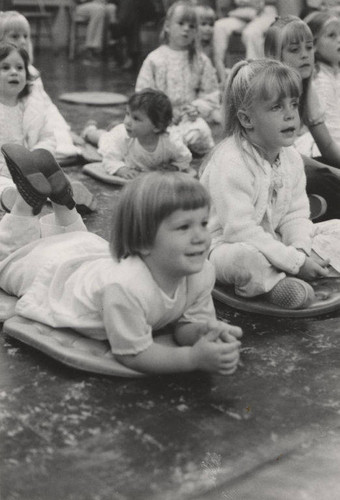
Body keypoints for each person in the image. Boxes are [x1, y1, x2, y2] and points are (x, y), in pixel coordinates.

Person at [0, 143, 242, 375]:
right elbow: (132, 354)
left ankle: (60, 202)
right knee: (9, 259)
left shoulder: (201, 273)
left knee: (76, 240)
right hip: (51, 272)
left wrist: (204, 331)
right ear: (143, 242)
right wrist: (192, 359)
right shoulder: (127, 287)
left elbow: (185, 326)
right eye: (183, 228)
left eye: (202, 223)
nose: (200, 236)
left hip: (90, 254)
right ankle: (30, 203)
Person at [200, 59, 330, 309]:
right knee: (247, 260)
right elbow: (240, 231)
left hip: (275, 241)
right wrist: (294, 262)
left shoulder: (289, 156)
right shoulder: (231, 161)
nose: (291, 113)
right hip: (223, 245)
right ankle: (276, 288)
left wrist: (299, 250)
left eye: (293, 104)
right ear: (247, 119)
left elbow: (297, 214)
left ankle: (292, 267)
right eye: (276, 107)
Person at [264, 15, 340, 220]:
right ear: (274, 55)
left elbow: (328, 148)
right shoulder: (270, 89)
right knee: (322, 178)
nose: (306, 55)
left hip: (286, 163)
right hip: (261, 171)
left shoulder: (305, 87)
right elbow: (281, 156)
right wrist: (333, 172)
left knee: (328, 171)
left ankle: (312, 208)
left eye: (309, 47)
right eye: (294, 50)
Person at [135, 1, 220, 157]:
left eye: (192, 26)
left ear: (196, 31)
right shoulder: (154, 59)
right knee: (156, 137)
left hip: (189, 121)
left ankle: (176, 148)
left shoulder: (201, 60)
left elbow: (211, 94)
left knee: (201, 132)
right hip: (160, 121)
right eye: (181, 23)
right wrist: (162, 113)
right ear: (167, 26)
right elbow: (142, 94)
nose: (186, 29)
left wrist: (196, 108)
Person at [82, 88, 193, 179]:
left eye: (136, 118)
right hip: (118, 136)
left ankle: (106, 128)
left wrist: (174, 167)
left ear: (157, 127)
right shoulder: (123, 136)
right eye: (127, 114)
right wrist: (120, 169)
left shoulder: (171, 142)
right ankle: (90, 130)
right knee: (103, 139)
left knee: (107, 135)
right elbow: (110, 158)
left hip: (126, 136)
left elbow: (185, 158)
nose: (127, 121)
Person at [213, 0, 277, 83]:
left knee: (251, 33)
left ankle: (254, 78)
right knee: (219, 26)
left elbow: (265, 4)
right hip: (241, 13)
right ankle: (222, 79)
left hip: (265, 13)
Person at [305, 11, 340, 147]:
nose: (339, 39)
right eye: (332, 35)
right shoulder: (319, 79)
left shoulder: (335, 73)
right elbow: (332, 129)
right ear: (314, 45)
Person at [74, 0, 117, 64]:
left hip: (100, 4)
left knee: (112, 8)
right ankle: (91, 49)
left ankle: (109, 47)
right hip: (79, 7)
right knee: (98, 9)